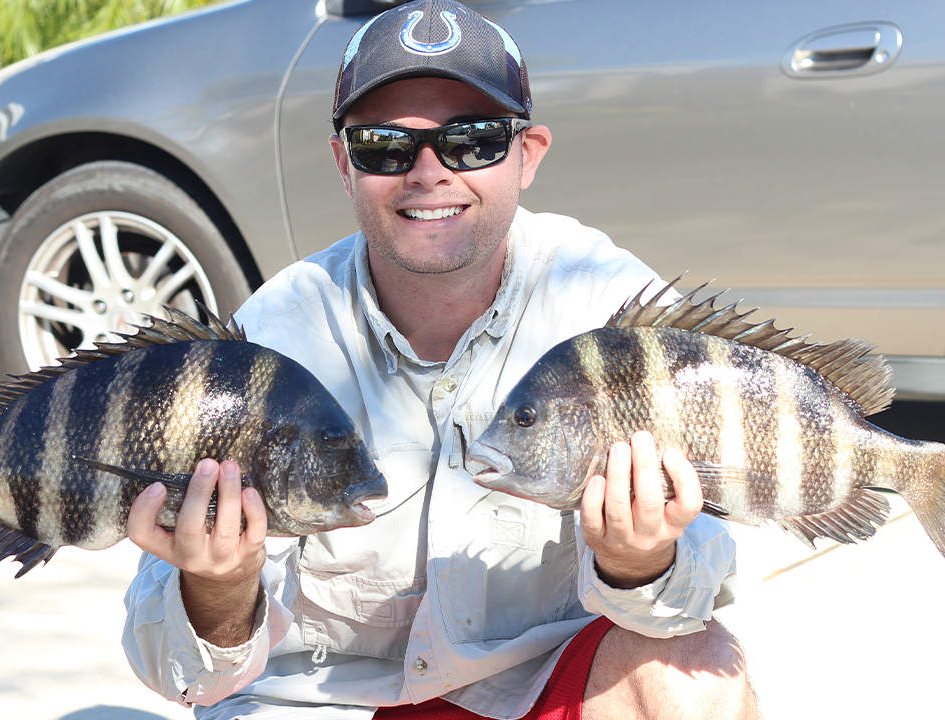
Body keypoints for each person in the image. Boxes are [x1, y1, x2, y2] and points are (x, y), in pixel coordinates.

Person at [122, 1, 757, 717]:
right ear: (344, 164)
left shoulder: (605, 304)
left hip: (532, 684)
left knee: (693, 673)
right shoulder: (273, 340)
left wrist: (641, 562)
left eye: (475, 140)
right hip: (323, 701)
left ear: (528, 155)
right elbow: (179, 674)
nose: (429, 172)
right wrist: (217, 588)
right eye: (384, 146)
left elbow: (698, 586)